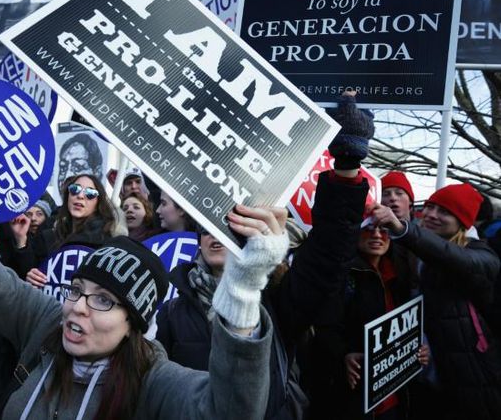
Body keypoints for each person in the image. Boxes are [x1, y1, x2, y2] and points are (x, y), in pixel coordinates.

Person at [0, 70, 286, 420]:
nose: (78, 307)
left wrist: (244, 289)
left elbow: (230, 410)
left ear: (134, 325)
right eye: (77, 291)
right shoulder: (45, 326)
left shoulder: (154, 381)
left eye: (104, 301)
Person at [157, 90, 374, 419]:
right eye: (207, 227)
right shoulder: (173, 311)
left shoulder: (278, 302)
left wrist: (345, 168)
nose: (215, 235)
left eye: (229, 226)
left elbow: (327, 260)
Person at [370, 183, 501, 420]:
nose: (431, 215)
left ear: (463, 221)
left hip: (473, 377)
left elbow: (454, 258)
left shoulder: (482, 255)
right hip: (423, 378)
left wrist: (403, 229)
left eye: (444, 211)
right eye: (429, 207)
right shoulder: (413, 252)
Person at [317, 221, 429, 419]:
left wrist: (417, 347)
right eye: (368, 228)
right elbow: (324, 326)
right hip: (357, 397)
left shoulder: (401, 272)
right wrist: (343, 355)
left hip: (397, 395)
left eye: (384, 230)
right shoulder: (340, 274)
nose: (377, 235)